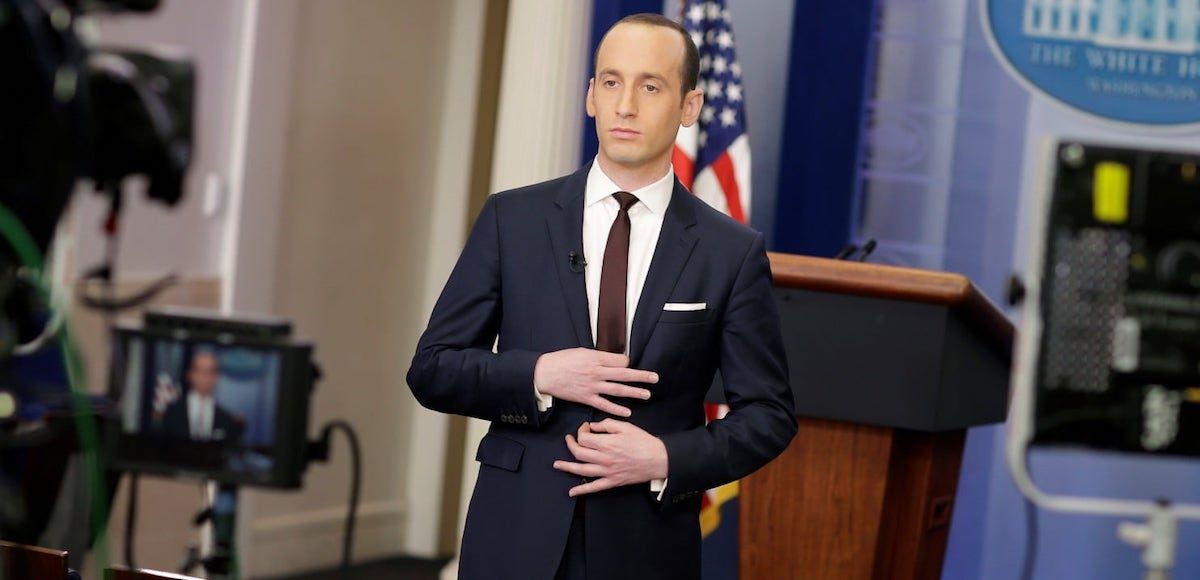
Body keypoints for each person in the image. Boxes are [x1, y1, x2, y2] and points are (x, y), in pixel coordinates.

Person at [407, 13, 795, 580]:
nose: (626, 105)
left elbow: (769, 415)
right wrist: (539, 374)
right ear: (591, 96)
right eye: (611, 82)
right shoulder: (511, 220)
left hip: (647, 544)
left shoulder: (730, 251)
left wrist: (665, 458)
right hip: (514, 536)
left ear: (690, 107)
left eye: (651, 86)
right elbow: (432, 369)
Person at [160, 349, 243, 442]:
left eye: (210, 372)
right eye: (199, 371)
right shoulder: (172, 412)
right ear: (189, 374)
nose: (205, 377)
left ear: (216, 377)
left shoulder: (225, 419)